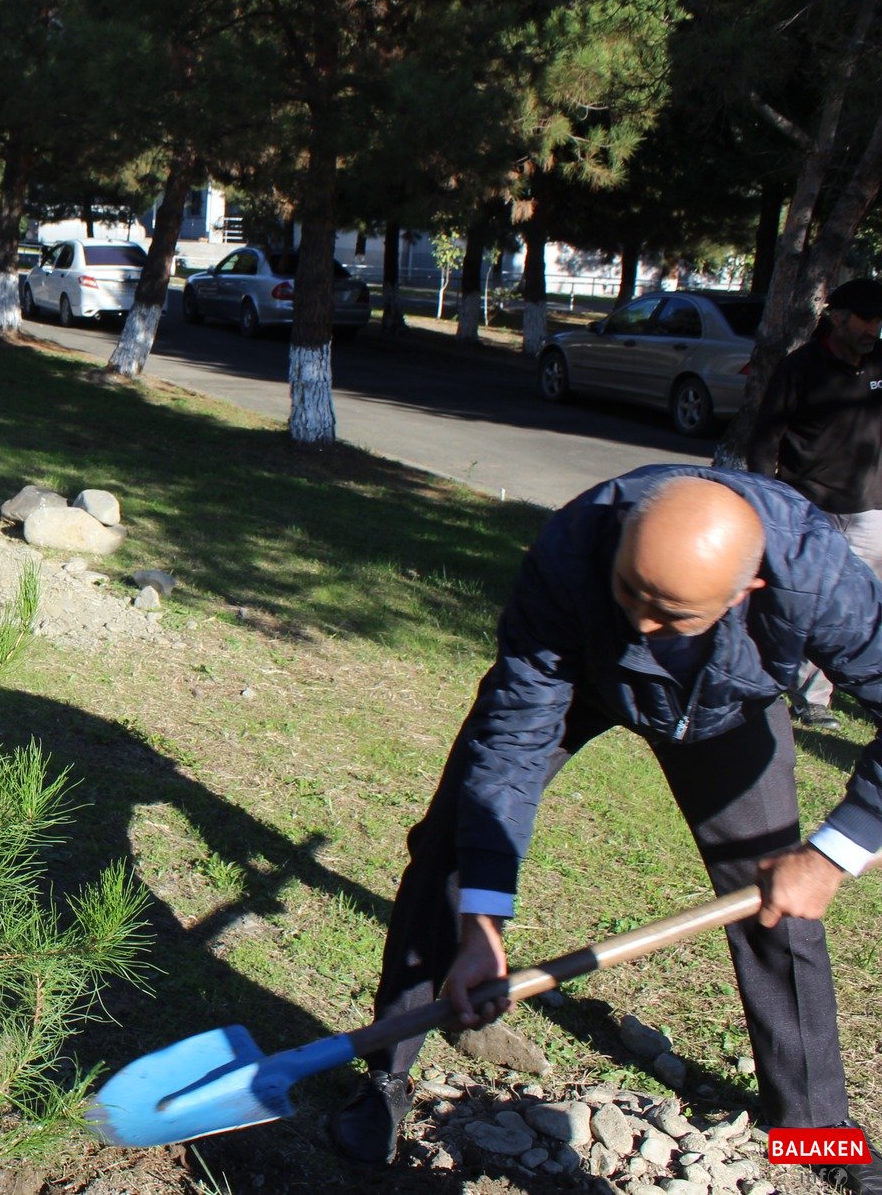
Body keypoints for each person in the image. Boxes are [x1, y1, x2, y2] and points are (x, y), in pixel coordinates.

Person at [328, 468, 881, 1193]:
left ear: (745, 592)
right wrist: (483, 922)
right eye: (632, 594)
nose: (646, 628)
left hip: (727, 705)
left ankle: (816, 1134)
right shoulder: (571, 551)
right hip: (577, 678)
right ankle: (387, 1075)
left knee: (780, 904)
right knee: (452, 851)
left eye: (672, 613)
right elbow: (514, 743)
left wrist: (834, 854)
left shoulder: (816, 578)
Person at [746, 277, 882, 731]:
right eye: (866, 318)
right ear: (838, 317)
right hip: (808, 509)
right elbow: (766, 440)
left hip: (870, 510)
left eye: (880, 320)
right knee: (806, 605)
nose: (874, 329)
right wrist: (765, 504)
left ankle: (865, 691)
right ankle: (811, 697)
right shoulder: (800, 368)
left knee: (862, 608)